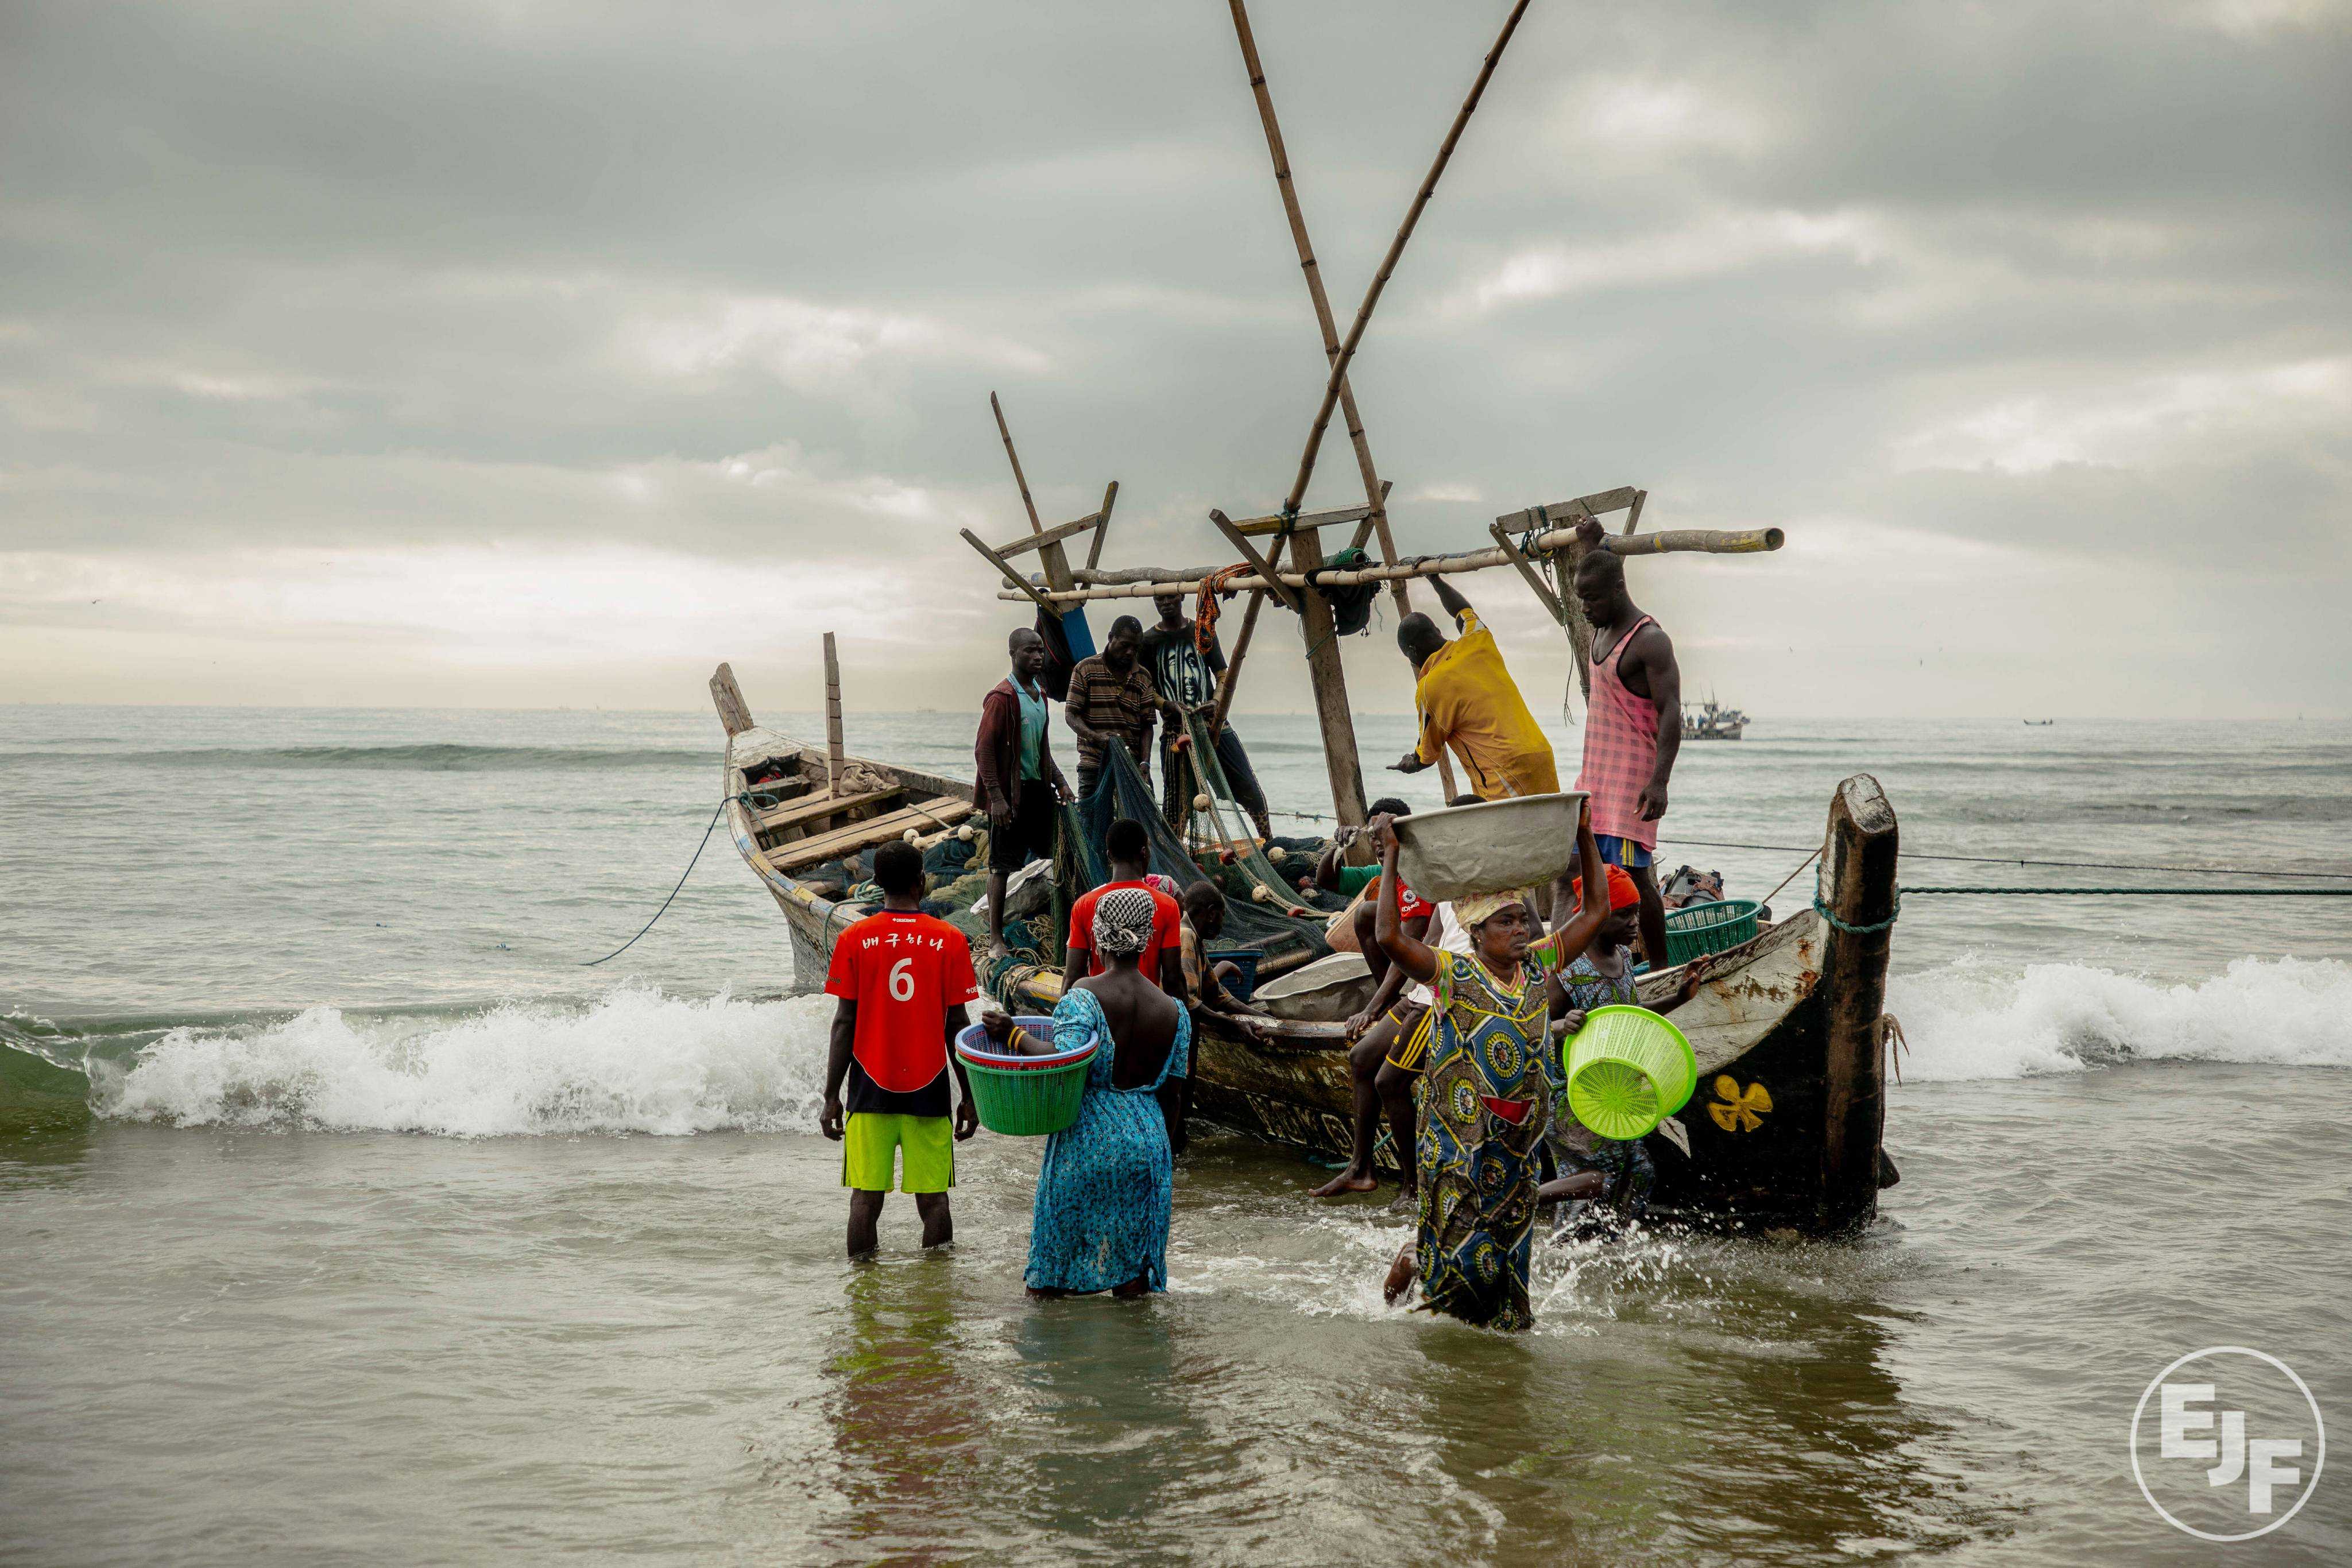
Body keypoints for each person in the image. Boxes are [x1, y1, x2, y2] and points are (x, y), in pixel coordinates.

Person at [1371, 802, 1615, 1331]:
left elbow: (1596, 911)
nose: (1521, 930)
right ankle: (1409, 1272)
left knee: (1508, 1286)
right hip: (1457, 1143)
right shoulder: (1451, 972)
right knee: (1453, 1274)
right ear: (1477, 932)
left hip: (1517, 1146)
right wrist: (1390, 856)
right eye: (1505, 922)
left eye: (1522, 919)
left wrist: (1585, 835)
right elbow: (1390, 938)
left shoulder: (1538, 966)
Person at [984, 888, 1193, 1298]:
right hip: (1148, 1142)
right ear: (1148, 937)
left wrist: (1012, 1032)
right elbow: (1174, 1097)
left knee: (1049, 1280)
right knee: (1134, 1283)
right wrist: (1156, 1150)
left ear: (1098, 935)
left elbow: (1062, 1058)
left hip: (1088, 1138)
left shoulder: (1083, 995)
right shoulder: (1175, 1011)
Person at [819, 841, 981, 1258]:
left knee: (865, 1200)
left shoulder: (854, 937)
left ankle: (863, 1301)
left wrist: (830, 1096)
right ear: (922, 882)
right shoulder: (949, 939)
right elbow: (958, 1025)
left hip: (869, 1089)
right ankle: (935, 1295)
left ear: (875, 883)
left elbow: (844, 1024)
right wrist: (968, 1095)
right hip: (928, 1089)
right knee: (934, 1202)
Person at [1544, 863, 1713, 1230]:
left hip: (1614, 1091)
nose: (1635, 923)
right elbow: (1529, 1027)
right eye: (1624, 915)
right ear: (1597, 917)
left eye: (1636, 913)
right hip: (1568, 1094)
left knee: (1639, 1172)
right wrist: (1560, 1026)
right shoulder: (1565, 966)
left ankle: (1610, 1249)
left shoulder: (1622, 959)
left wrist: (1679, 998)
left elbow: (1632, 1016)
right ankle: (1556, 1240)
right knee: (1592, 1179)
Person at [1572, 522, 1684, 967]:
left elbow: (1672, 710)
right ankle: (1590, 963)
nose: (1585, 608)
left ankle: (1661, 969)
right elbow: (1597, 566)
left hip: (1633, 779)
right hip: (1597, 773)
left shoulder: (1650, 640)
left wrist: (1660, 782)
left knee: (1637, 877)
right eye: (1581, 598)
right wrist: (1589, 545)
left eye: (1592, 598)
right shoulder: (1600, 629)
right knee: (1584, 872)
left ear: (1618, 589)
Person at [1390, 575, 1558, 802]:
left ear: (1411, 652)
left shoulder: (1430, 687)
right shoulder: (1479, 639)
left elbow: (1427, 755)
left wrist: (1410, 763)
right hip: (1541, 754)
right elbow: (1463, 610)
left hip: (1505, 771)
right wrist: (1435, 579)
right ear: (1438, 630)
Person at [975, 628, 1073, 961]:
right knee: (1001, 866)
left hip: (1038, 792)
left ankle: (1068, 926)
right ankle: (995, 938)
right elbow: (984, 751)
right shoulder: (1002, 698)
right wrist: (996, 798)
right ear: (1013, 654)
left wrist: (1060, 781)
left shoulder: (1040, 696)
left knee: (1060, 857)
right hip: (1010, 797)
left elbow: (1042, 748)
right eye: (1030, 651)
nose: (1038, 657)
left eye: (1041, 651)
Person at [1142, 593, 1272, 842]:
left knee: (1249, 789)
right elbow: (1146, 687)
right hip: (1176, 732)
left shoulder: (1202, 631)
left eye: (1171, 597)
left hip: (1214, 724)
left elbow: (1222, 673)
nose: (1166, 603)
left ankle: (1269, 842)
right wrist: (1166, 704)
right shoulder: (1149, 641)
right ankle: (1177, 856)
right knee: (1176, 803)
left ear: (1181, 596)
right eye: (1160, 599)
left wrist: (1215, 701)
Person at [1061, 817, 1184, 997]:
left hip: (1100, 1013)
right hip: (1147, 1011)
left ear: (1109, 855)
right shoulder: (1166, 905)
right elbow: (1173, 979)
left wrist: (1061, 1019)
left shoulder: (1084, 904)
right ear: (1144, 853)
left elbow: (1072, 976)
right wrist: (1183, 1021)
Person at [1064, 614, 1159, 802]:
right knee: (1091, 822)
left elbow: (1147, 725)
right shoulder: (1086, 669)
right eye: (1125, 645)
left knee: (1141, 823)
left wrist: (1145, 762)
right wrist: (1097, 738)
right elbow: (1071, 715)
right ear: (1111, 638)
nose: (1130, 652)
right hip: (1093, 763)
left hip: (1131, 765)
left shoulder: (1143, 677)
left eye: (1136, 648)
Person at [1178, 882, 1273, 1035]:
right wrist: (1236, 1025)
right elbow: (1188, 1003)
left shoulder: (1196, 940)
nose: (1222, 924)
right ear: (1211, 914)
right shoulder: (1186, 936)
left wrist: (1270, 1020)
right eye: (1223, 915)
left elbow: (1218, 995)